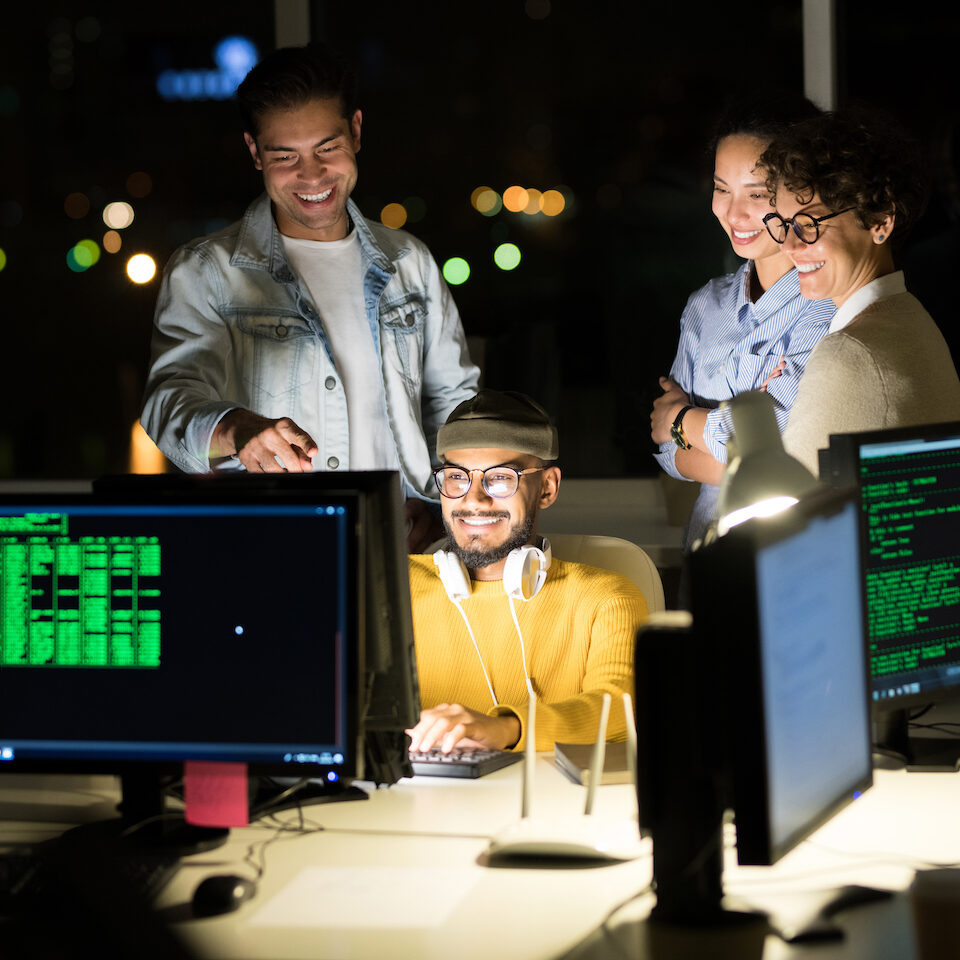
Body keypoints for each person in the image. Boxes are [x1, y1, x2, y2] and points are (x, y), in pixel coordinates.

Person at [140, 43, 479, 550]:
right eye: (285, 156)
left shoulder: (411, 262)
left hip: (410, 557)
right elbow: (169, 401)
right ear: (255, 153)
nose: (313, 174)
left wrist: (444, 511)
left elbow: (456, 408)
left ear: (357, 132)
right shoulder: (206, 270)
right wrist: (238, 427)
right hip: (274, 550)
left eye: (327, 147)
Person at [406, 390, 649, 753]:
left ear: (547, 488)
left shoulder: (607, 597)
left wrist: (504, 729)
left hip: (548, 806)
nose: (473, 499)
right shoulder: (391, 584)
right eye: (457, 477)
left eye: (500, 477)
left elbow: (619, 711)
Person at [650, 93, 836, 550]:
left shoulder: (828, 305)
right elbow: (668, 452)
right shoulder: (705, 307)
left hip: (793, 555)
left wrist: (684, 419)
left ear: (803, 191)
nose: (734, 214)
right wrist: (689, 433)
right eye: (721, 189)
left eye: (757, 194)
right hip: (707, 552)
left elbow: (798, 461)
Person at [759, 110, 960, 473]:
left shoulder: (849, 352)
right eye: (785, 224)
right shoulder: (911, 318)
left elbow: (784, 511)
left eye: (808, 223)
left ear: (880, 220)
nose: (789, 245)